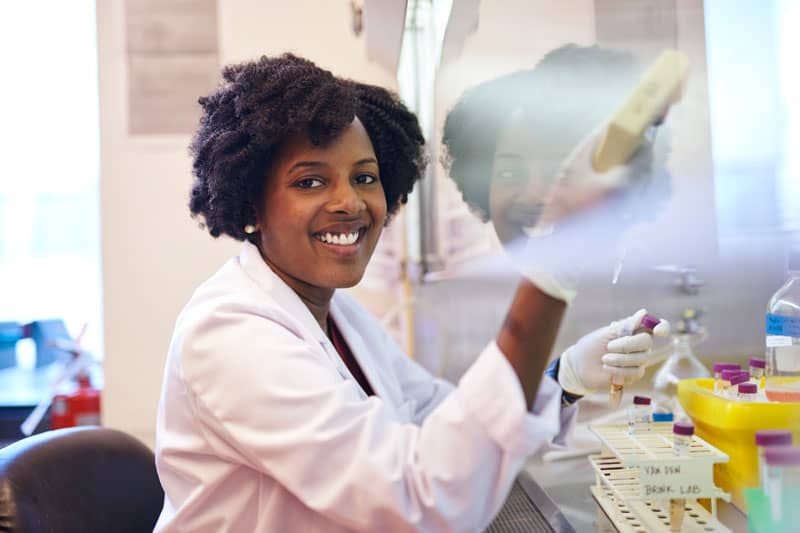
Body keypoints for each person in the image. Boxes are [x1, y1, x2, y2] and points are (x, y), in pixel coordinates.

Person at [155, 53, 666, 532]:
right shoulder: (230, 334)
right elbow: (416, 498)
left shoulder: (338, 317)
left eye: (365, 177)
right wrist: (555, 269)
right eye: (310, 182)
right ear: (251, 205)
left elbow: (437, 416)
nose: (349, 203)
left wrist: (566, 377)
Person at [441, 44, 672, 297]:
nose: (533, 194)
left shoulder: (655, 300)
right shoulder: (490, 306)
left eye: (560, 173)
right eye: (510, 174)